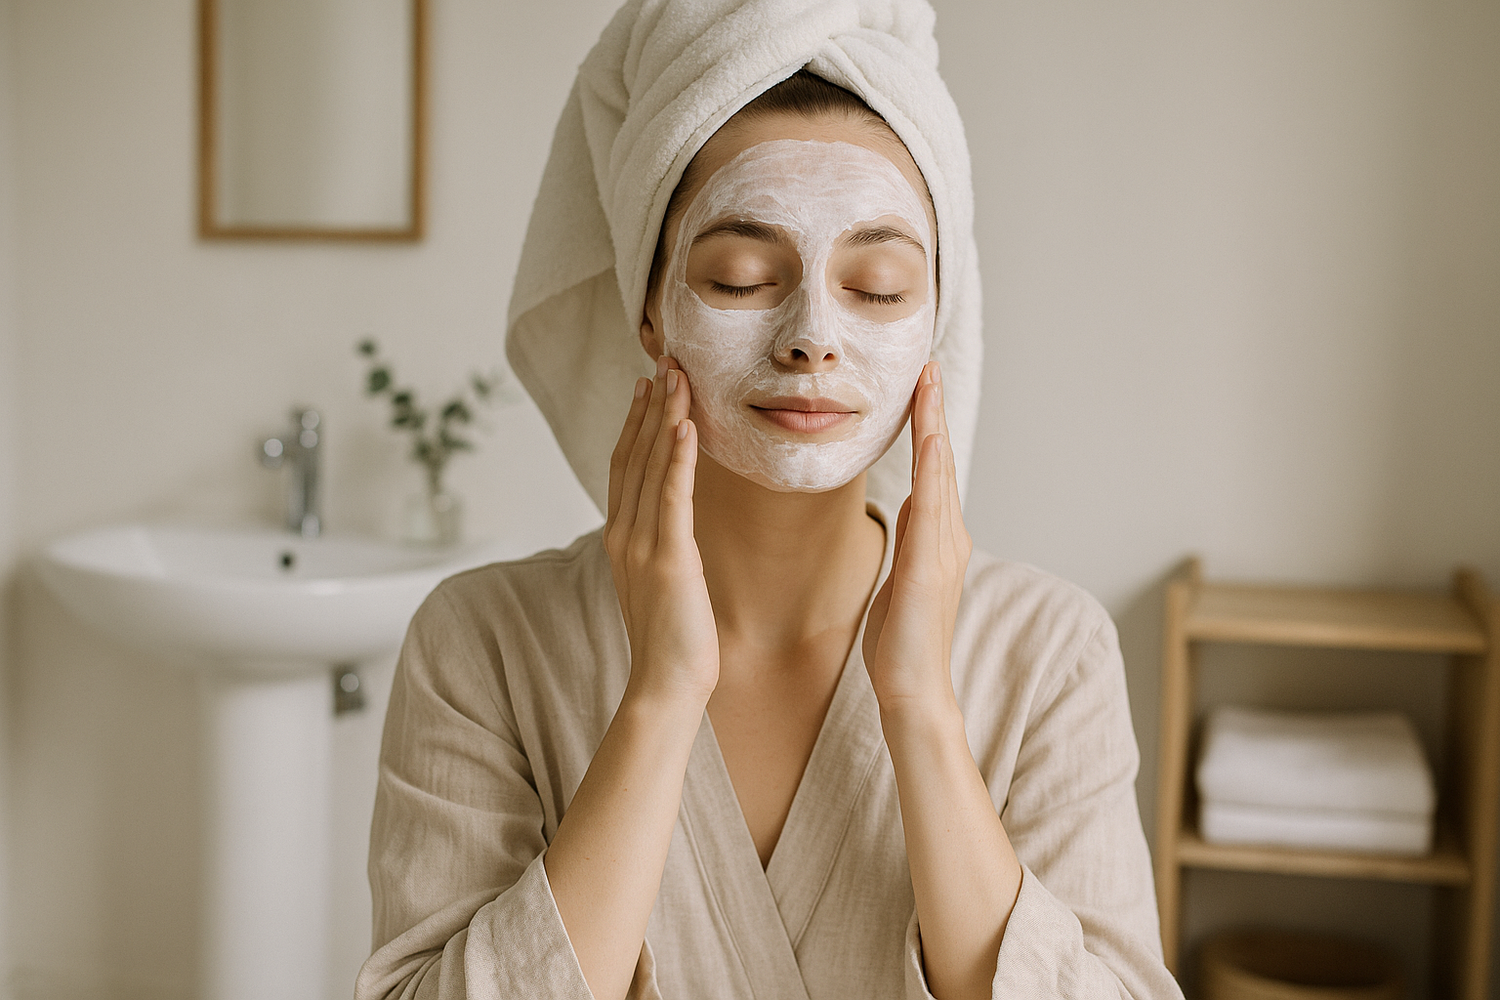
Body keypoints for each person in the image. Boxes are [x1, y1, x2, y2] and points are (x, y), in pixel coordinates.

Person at [356, 1, 1184, 998]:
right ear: (650, 310)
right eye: (742, 274)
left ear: (934, 324)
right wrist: (659, 697)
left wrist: (920, 708)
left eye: (877, 286)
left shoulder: (1048, 652)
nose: (812, 336)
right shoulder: (482, 641)